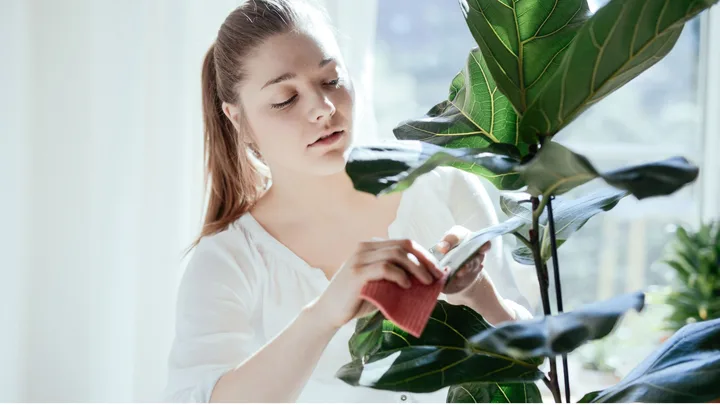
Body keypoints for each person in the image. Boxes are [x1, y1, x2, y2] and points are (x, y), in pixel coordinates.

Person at [164, 0, 533, 402]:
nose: (323, 109)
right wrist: (325, 314)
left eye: (331, 80)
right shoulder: (230, 257)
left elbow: (533, 366)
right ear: (237, 118)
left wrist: (477, 294)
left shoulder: (443, 187)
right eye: (286, 99)